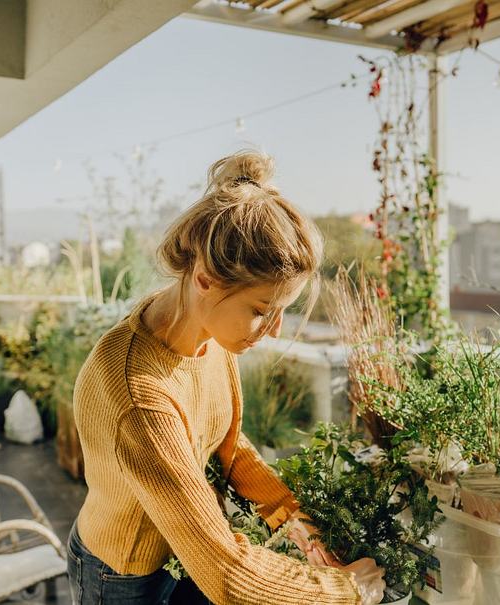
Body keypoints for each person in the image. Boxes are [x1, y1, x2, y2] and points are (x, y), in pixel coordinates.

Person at [67, 151, 386, 604]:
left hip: (183, 551)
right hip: (124, 573)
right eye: (261, 310)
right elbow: (226, 575)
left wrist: (293, 520)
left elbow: (229, 445)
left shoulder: (208, 331)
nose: (273, 330)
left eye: (281, 311)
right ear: (204, 278)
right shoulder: (138, 393)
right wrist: (344, 591)